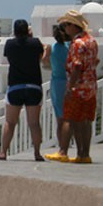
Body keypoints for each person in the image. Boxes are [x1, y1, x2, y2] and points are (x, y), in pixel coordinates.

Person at [45, 10, 99, 164]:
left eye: (66, 25)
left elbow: (77, 66)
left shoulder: (77, 43)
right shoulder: (92, 41)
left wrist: (70, 87)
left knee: (69, 118)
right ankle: (84, 154)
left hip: (78, 87)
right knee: (86, 120)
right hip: (90, 86)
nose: (65, 28)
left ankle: (63, 151)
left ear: (73, 26)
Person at [0, 19, 45, 161]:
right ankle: (37, 153)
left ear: (15, 31)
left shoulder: (10, 44)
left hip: (15, 86)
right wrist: (31, 36)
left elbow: (10, 59)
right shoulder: (35, 43)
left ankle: (3, 152)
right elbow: (39, 57)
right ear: (28, 31)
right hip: (34, 86)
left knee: (10, 122)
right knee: (34, 123)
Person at [45, 24, 71, 158]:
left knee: (60, 119)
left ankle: (62, 149)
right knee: (68, 118)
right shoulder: (70, 47)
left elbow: (45, 63)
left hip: (57, 83)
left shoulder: (51, 48)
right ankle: (65, 148)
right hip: (69, 81)